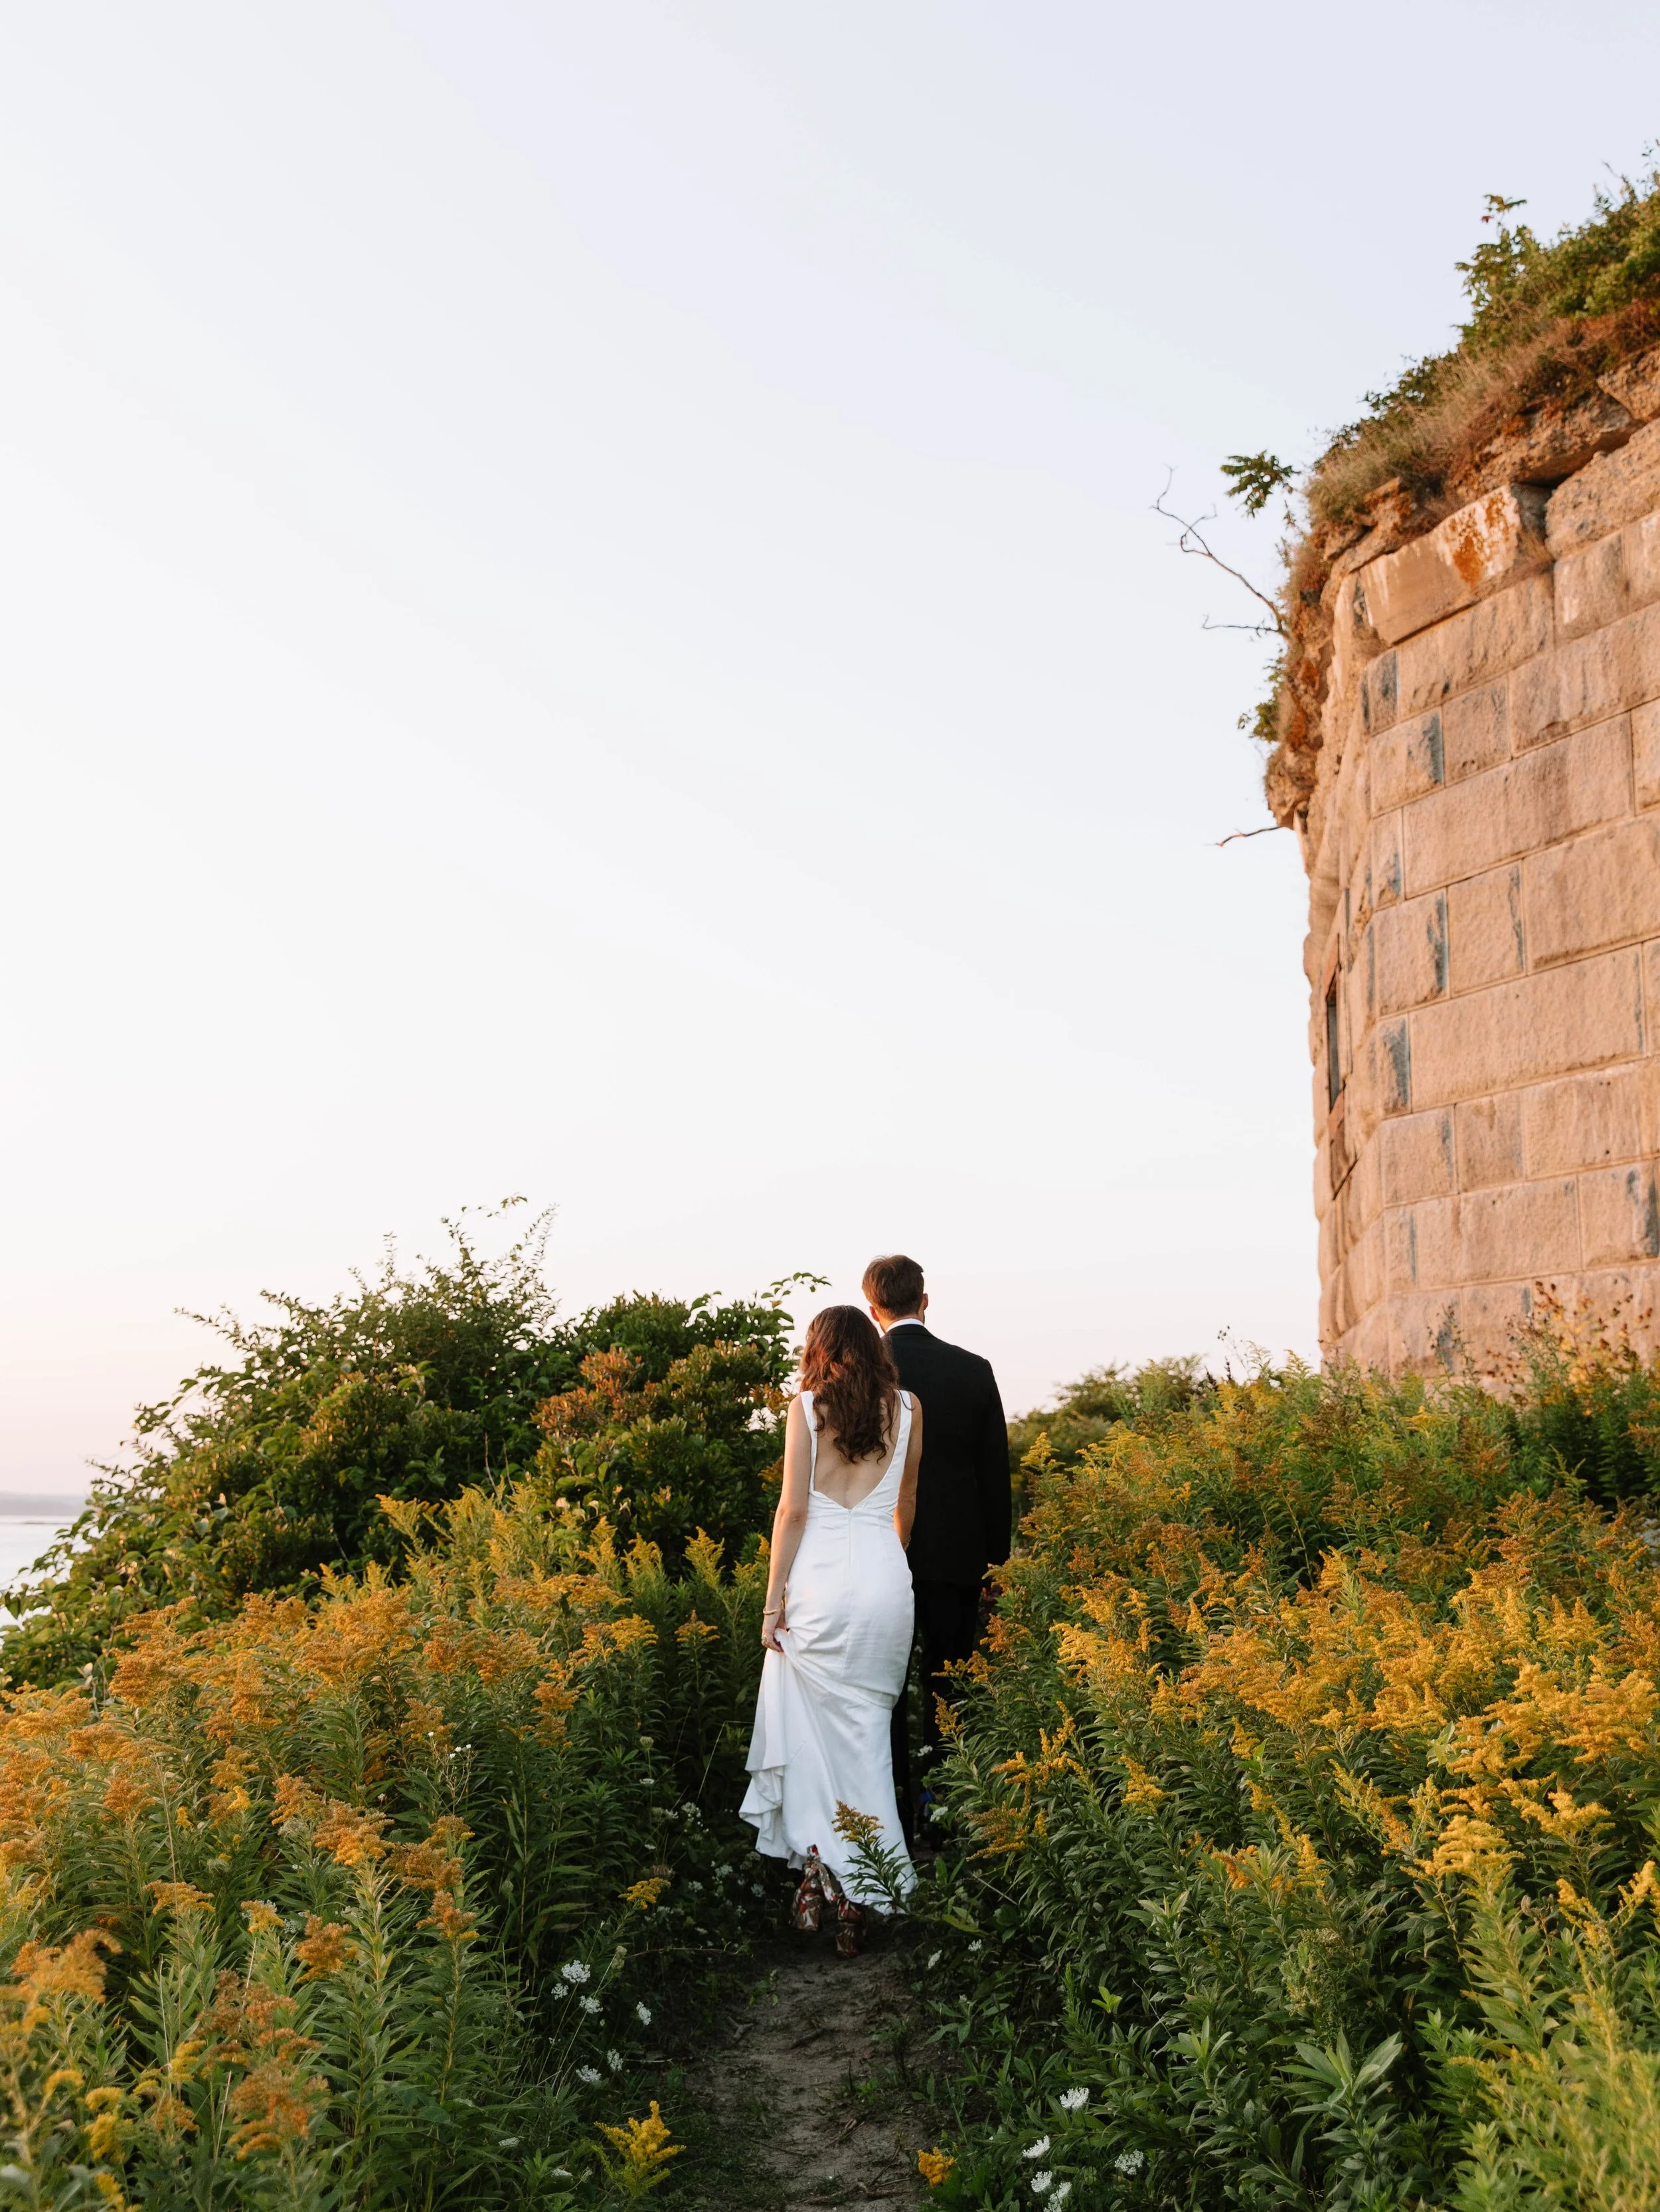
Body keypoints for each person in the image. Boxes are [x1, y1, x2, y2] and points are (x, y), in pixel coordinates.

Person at [740, 1306, 924, 1907]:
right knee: (868, 1738)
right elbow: (907, 1500)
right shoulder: (909, 1408)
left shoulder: (807, 1408)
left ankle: (824, 1874)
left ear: (818, 1347)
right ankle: (869, 1885)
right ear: (874, 1346)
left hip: (818, 1585)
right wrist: (884, 1562)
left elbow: (793, 1511)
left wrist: (773, 1605)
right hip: (884, 1582)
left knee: (811, 1734)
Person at [863, 1254, 1009, 1845]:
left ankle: (890, 1808)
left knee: (885, 1692)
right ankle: (945, 1807)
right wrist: (996, 1565)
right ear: (926, 1300)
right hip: (956, 1557)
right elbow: (994, 1480)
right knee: (948, 1685)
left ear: (874, 1311)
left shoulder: (859, 1378)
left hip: (877, 1558)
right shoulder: (973, 1371)